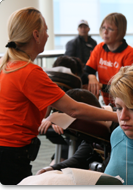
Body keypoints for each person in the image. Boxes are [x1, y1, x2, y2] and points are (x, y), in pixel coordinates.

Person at [0, 7, 117, 185]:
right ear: (36, 35)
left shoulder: (7, 66)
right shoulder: (28, 71)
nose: (48, 35)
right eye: (46, 30)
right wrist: (117, 116)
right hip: (11, 153)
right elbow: (74, 109)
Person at [84, 13, 133, 105]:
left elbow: (127, 88)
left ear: (120, 32)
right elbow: (86, 71)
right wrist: (91, 76)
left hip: (125, 104)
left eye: (110, 29)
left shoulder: (131, 55)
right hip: (107, 103)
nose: (105, 32)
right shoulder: (100, 48)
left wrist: (101, 86)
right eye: (103, 28)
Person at [65, 20, 97, 87]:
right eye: (81, 27)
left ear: (89, 29)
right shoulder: (72, 43)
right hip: (78, 76)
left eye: (85, 27)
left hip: (91, 75)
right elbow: (68, 61)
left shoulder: (93, 43)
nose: (83, 29)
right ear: (78, 29)